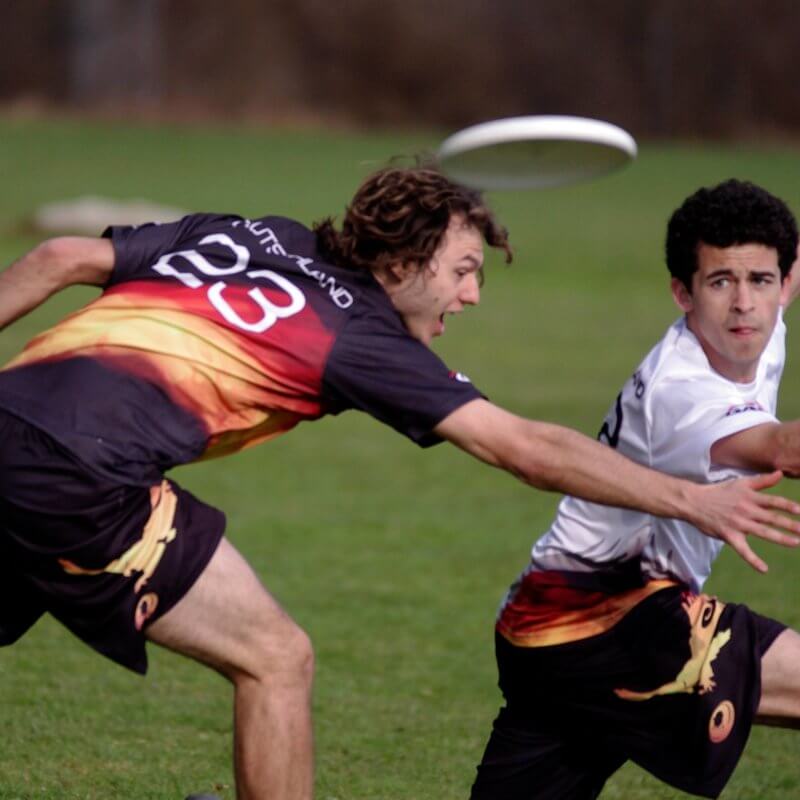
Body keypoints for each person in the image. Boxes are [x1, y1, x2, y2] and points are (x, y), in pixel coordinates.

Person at [0, 168, 798, 800]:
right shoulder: (363, 341)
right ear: (405, 262)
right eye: (463, 270)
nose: (472, 294)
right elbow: (521, 446)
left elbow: (59, 258)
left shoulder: (263, 235)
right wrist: (689, 498)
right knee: (277, 660)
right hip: (85, 475)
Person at [470, 178, 800, 800]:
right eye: (719, 282)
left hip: (540, 629)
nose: (744, 305)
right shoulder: (683, 390)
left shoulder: (761, 319)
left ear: (783, 284)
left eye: (761, 281)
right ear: (682, 292)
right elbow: (783, 449)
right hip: (608, 620)